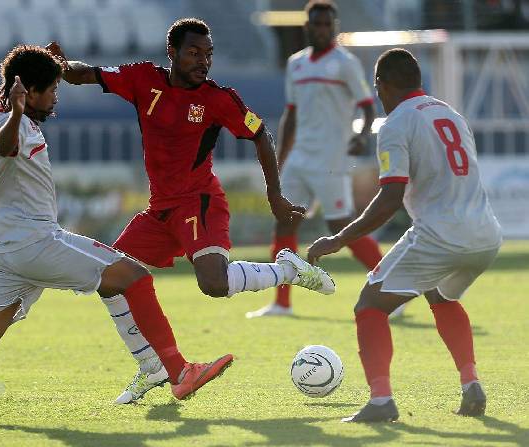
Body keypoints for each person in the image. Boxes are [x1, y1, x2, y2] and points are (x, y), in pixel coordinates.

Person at [0, 45, 234, 424]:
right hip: (34, 243)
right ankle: (179, 372)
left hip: (11, 249)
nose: (56, 97)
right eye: (51, 89)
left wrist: (47, 64)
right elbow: (6, 145)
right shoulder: (6, 123)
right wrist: (18, 113)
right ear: (29, 93)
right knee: (133, 276)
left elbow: (16, 85)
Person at [48, 17, 335, 404]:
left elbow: (260, 134)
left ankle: (288, 269)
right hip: (160, 211)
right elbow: (91, 75)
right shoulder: (142, 79)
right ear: (173, 53)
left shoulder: (218, 99)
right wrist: (65, 69)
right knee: (110, 278)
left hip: (198, 201)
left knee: (213, 285)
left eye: (208, 54)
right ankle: (151, 367)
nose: (203, 61)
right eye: (194, 52)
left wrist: (275, 196)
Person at [308, 48, 502, 422]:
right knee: (440, 295)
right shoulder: (451, 113)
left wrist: (338, 239)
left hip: (440, 236)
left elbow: (389, 200)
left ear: (381, 85)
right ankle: (470, 383)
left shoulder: (396, 123)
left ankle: (381, 401)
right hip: (486, 235)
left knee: (370, 304)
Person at [246, 0, 385, 319]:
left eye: (327, 24)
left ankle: (393, 290)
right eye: (316, 24)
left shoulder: (346, 63)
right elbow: (291, 116)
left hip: (332, 161)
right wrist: (279, 160)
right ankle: (281, 302)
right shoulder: (296, 64)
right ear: (307, 26)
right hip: (299, 160)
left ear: (334, 27)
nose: (321, 29)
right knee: (284, 222)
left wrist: (362, 134)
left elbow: (367, 106)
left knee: (341, 227)